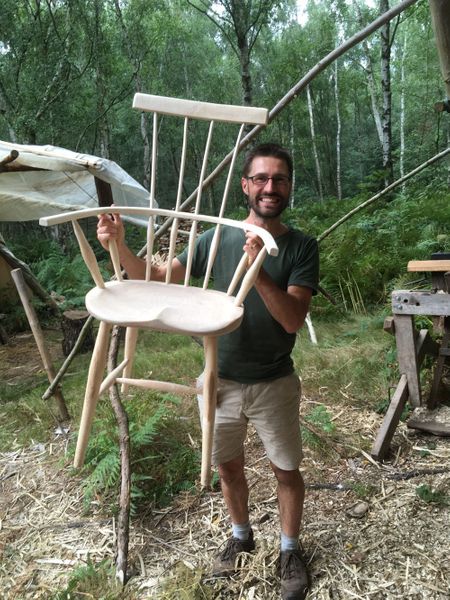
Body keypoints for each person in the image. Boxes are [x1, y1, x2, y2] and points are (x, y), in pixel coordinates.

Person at [97, 142, 319, 600]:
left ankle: (289, 550)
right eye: (260, 178)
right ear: (245, 185)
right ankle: (241, 537)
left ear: (289, 186)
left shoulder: (300, 246)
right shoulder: (216, 238)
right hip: (219, 379)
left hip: (274, 381)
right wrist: (118, 246)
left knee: (286, 471)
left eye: (279, 179)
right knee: (228, 466)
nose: (270, 187)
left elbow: (293, 319)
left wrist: (257, 270)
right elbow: (158, 279)